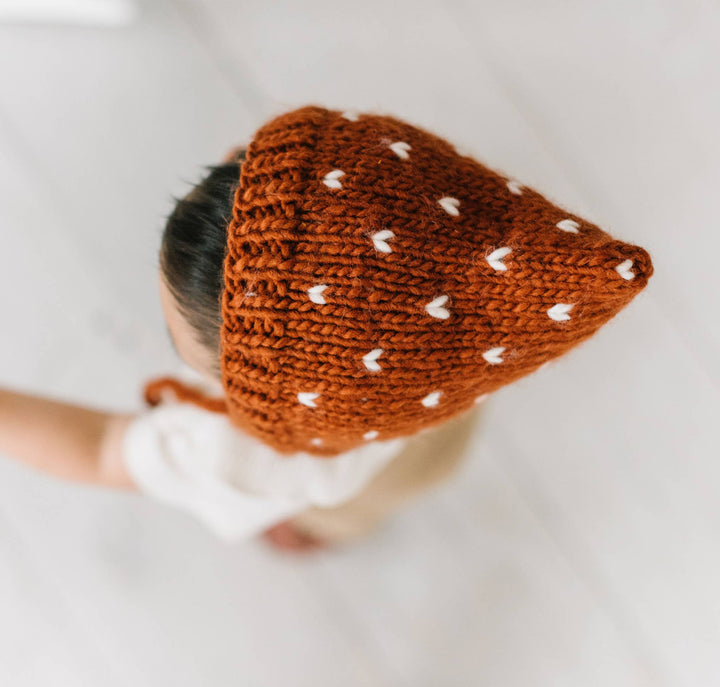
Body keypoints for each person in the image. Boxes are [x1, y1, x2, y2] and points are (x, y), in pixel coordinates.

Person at [0, 105, 653, 553]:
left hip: (365, 480)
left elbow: (101, 446)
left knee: (340, 512)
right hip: (437, 426)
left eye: (190, 354)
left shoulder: (247, 460)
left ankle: (327, 532)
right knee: (419, 462)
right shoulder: (459, 342)